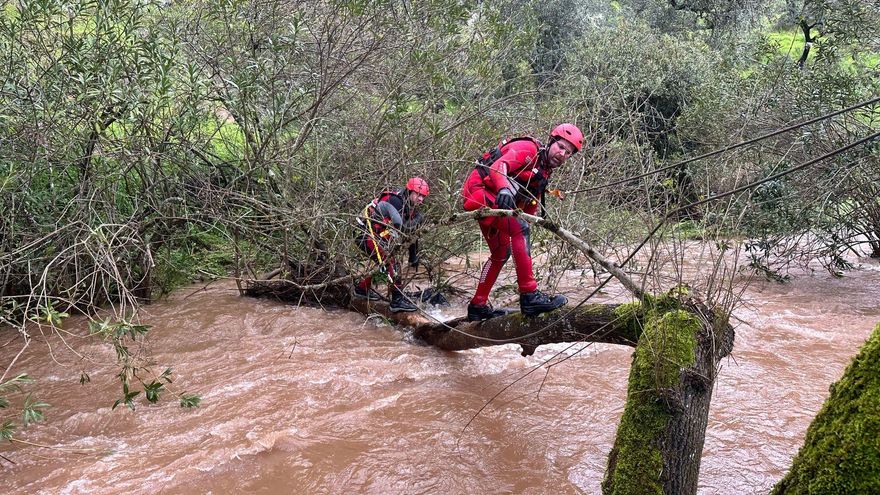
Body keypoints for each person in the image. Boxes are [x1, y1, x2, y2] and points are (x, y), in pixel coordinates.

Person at [461, 123, 583, 321]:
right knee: (520, 230)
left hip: (493, 200)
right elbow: (498, 167)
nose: (562, 154)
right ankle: (529, 295)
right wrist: (502, 189)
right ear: (551, 142)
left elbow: (527, 203)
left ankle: (478, 305)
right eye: (560, 147)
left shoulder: (543, 172)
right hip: (479, 192)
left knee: (502, 252)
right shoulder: (529, 150)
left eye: (568, 153)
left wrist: (525, 222)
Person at [353, 177, 429, 312]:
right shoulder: (395, 201)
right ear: (409, 191)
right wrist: (418, 219)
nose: (421, 199)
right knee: (390, 262)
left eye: (423, 196)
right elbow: (402, 227)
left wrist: (413, 256)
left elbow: (411, 235)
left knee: (383, 262)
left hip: (376, 236)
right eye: (418, 195)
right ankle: (397, 300)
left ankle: (361, 289)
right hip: (365, 234)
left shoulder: (409, 207)